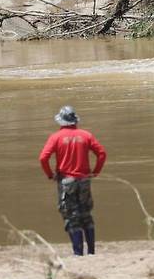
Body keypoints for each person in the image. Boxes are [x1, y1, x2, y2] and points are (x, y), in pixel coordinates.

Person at [39, 106, 107, 256]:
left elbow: (43, 158)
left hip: (66, 182)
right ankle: (91, 252)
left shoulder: (55, 137)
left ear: (61, 121)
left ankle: (78, 253)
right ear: (75, 120)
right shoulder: (86, 135)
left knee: (71, 217)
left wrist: (50, 175)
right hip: (84, 180)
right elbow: (101, 153)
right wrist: (95, 172)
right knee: (86, 215)